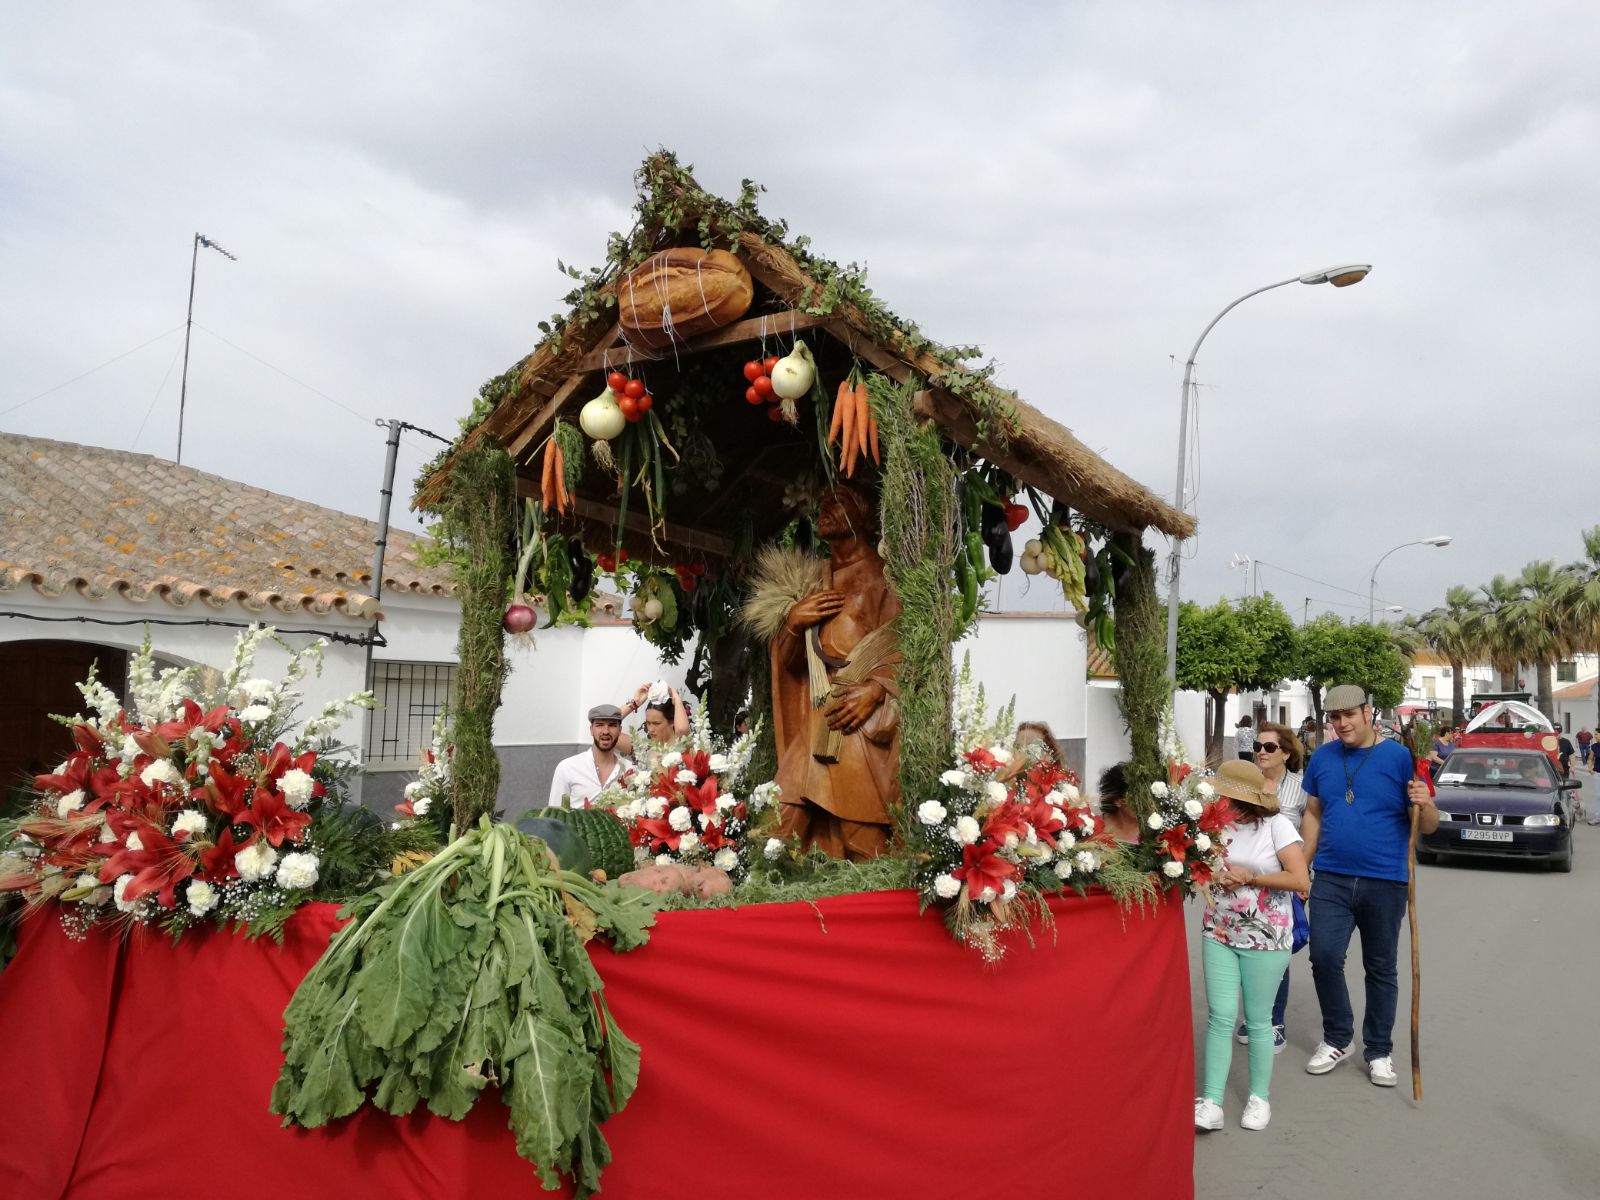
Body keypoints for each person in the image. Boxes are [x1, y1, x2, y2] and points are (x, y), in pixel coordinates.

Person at [1299, 684, 1437, 1088]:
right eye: (1334, 718)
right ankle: (1338, 1038)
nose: (1341, 724)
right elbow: (1313, 814)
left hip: (1386, 879)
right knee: (1324, 957)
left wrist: (1425, 802)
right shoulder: (1322, 757)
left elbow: (1427, 827)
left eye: (1349, 716)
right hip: (1331, 877)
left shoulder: (1399, 757)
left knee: (1380, 967)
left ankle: (1379, 1050)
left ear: (1368, 713)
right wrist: (1301, 870)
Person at [766, 482, 901, 860]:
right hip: (817, 718)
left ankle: (872, 914)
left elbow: (907, 649)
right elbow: (791, 666)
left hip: (855, 721)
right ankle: (772, 901)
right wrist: (794, 623)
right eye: (822, 503)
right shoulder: (811, 580)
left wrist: (876, 690)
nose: (825, 510)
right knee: (781, 821)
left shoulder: (885, 577)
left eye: (837, 503)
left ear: (863, 515)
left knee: (865, 845)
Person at [1194, 760, 1310, 1133]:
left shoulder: (1278, 827)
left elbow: (1299, 878)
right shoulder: (1214, 828)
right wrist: (1214, 873)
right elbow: (1202, 867)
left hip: (1266, 937)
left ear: (1240, 799)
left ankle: (1259, 1099)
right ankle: (1211, 1102)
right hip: (1220, 931)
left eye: (1222, 796)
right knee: (1220, 1016)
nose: (1217, 801)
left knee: (1259, 1020)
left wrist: (1253, 877)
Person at [1235, 723, 1307, 1054]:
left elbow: (1311, 829)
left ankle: (1273, 1021)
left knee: (1275, 955)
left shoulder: (1300, 788)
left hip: (1283, 883)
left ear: (1287, 753)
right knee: (1247, 951)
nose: (1261, 752)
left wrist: (1303, 877)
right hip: (1245, 884)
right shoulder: (1247, 783)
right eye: (1258, 747)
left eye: (1269, 747)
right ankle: (1255, 1016)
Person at [546, 703, 631, 808]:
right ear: (591, 730)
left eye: (612, 725)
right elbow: (554, 814)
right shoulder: (567, 768)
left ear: (619, 730)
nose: (606, 731)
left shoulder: (630, 770)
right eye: (599, 725)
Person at [1095, 762, 1141, 844]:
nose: (1144, 803)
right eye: (1136, 797)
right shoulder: (1093, 827)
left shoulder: (1153, 833)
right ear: (1118, 800)